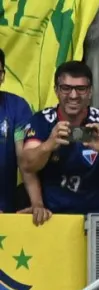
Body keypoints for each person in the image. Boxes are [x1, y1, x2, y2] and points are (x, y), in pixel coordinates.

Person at [20, 62, 99, 216]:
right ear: (56, 90)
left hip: (97, 216)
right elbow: (27, 165)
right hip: (52, 216)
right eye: (66, 88)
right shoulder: (42, 120)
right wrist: (48, 145)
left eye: (81, 89)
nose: (73, 96)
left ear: (90, 92)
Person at [0, 48, 36, 218]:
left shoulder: (17, 107)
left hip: (6, 205)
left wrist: (37, 203)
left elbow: (23, 157)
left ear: (2, 76)